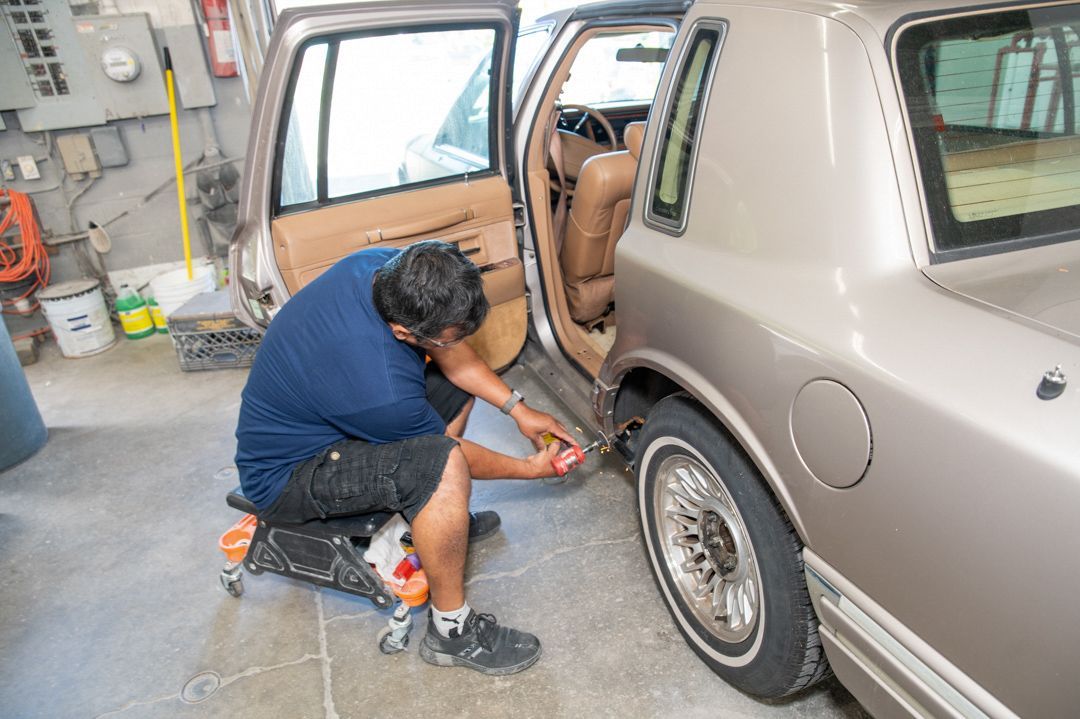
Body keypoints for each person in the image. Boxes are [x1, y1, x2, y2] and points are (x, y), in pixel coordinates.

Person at [235, 240, 575, 676]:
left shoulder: (386, 268)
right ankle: (451, 632)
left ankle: (434, 524)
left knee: (454, 393)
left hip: (331, 411)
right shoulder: (382, 391)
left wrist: (520, 411)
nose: (457, 342)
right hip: (291, 473)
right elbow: (448, 455)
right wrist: (530, 469)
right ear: (401, 331)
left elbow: (452, 356)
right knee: (441, 466)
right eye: (448, 335)